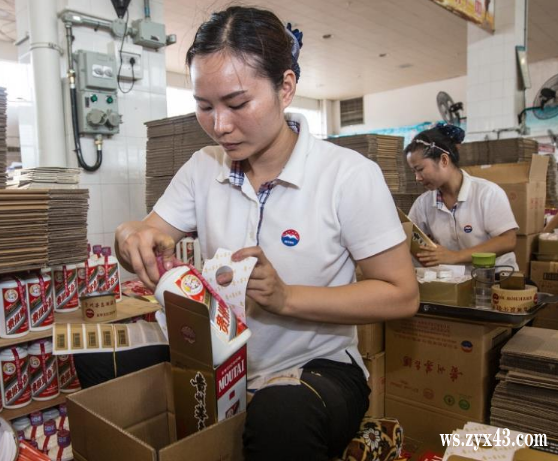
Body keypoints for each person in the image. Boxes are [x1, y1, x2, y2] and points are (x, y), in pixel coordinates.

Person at [115, 6, 418, 460]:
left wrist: (286, 297)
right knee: (108, 367)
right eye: (204, 106)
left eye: (237, 104)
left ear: (286, 87)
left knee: (281, 420)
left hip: (316, 369)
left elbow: (401, 294)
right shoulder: (203, 169)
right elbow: (150, 233)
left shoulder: (348, 176)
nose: (220, 125)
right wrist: (130, 237)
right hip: (221, 360)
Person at [405, 125, 519, 270]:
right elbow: (408, 240)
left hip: (496, 279)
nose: (417, 178)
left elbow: (508, 240)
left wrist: (455, 256)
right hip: (453, 282)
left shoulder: (486, 193)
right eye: (413, 172)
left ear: (444, 160)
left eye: (420, 169)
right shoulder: (423, 204)